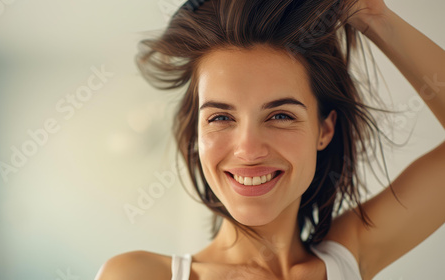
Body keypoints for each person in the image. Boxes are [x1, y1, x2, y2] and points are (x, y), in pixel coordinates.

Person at [95, 0, 445, 279]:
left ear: (324, 130)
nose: (248, 149)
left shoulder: (349, 259)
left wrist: (373, 16)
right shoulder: (137, 275)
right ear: (197, 134)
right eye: (220, 117)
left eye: (280, 116)